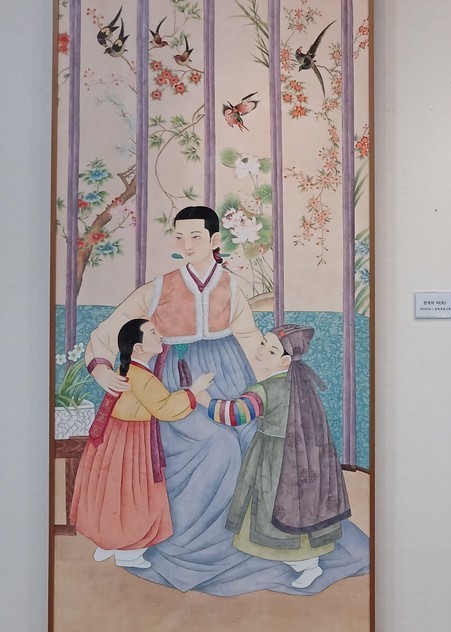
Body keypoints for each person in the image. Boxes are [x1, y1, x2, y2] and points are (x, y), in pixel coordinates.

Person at [85, 205, 369, 595]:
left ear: (215, 240)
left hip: (231, 377)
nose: (187, 245)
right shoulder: (159, 288)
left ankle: (274, 542)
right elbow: (108, 330)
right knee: (218, 444)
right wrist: (101, 369)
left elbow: (251, 341)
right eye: (180, 237)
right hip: (178, 384)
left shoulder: (231, 287)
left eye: (196, 237)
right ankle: (194, 543)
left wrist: (278, 386)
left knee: (256, 440)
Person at [199, 326, 352, 589]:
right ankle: (304, 560)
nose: (261, 351)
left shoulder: (266, 389)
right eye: (262, 344)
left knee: (274, 504)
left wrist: (205, 400)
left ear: (283, 361)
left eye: (270, 351)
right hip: (305, 456)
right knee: (301, 507)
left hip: (276, 457)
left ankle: (304, 563)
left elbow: (237, 414)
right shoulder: (301, 385)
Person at [71, 319, 213, 568]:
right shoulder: (142, 378)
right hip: (131, 442)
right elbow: (166, 408)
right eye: (153, 333)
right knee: (134, 495)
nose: (159, 336)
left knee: (111, 493)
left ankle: (107, 542)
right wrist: (193, 391)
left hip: (113, 438)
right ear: (138, 348)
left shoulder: (127, 370)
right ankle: (129, 552)